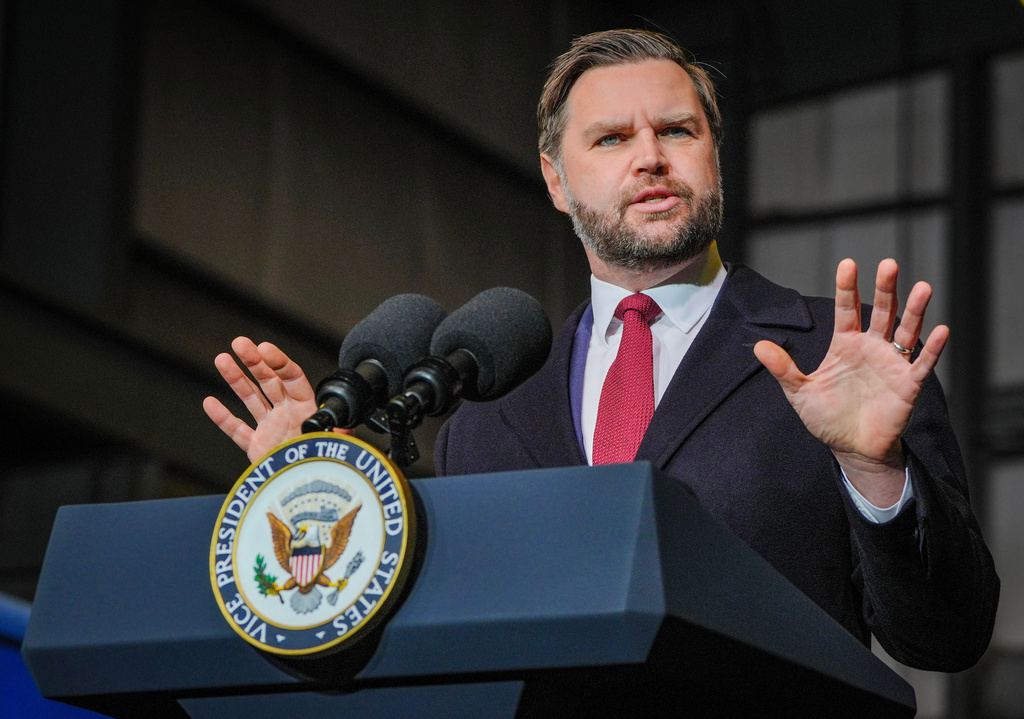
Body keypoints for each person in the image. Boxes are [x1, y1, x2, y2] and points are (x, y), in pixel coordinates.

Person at [205, 29, 998, 672]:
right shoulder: (489, 411)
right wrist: (315, 486)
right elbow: (425, 643)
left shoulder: (841, 356)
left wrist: (875, 473)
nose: (650, 156)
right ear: (556, 180)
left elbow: (946, 638)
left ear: (714, 156)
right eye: (613, 137)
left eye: (677, 130)